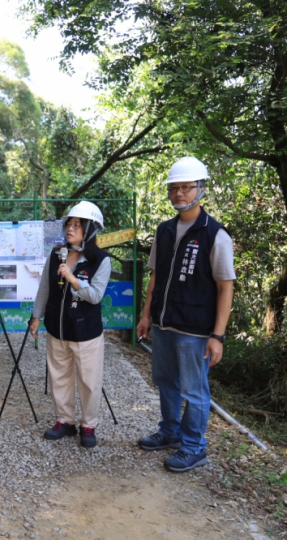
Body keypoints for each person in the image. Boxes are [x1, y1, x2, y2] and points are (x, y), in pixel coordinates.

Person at [136, 156, 235, 473]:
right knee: (165, 381)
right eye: (174, 188)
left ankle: (194, 447)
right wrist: (146, 315)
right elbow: (154, 276)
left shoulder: (215, 234)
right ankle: (170, 432)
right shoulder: (164, 231)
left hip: (195, 331)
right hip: (164, 324)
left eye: (187, 187)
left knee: (194, 390)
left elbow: (225, 288)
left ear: (201, 189)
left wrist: (217, 336)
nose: (180, 193)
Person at [29, 201, 111, 448]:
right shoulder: (56, 255)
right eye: (69, 224)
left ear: (91, 229)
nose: (70, 229)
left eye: (77, 224)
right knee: (59, 377)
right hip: (58, 329)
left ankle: (88, 424)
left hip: (85, 333)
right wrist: (36, 316)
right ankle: (65, 421)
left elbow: (95, 296)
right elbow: (44, 288)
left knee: (88, 381)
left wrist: (73, 279)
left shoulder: (101, 260)